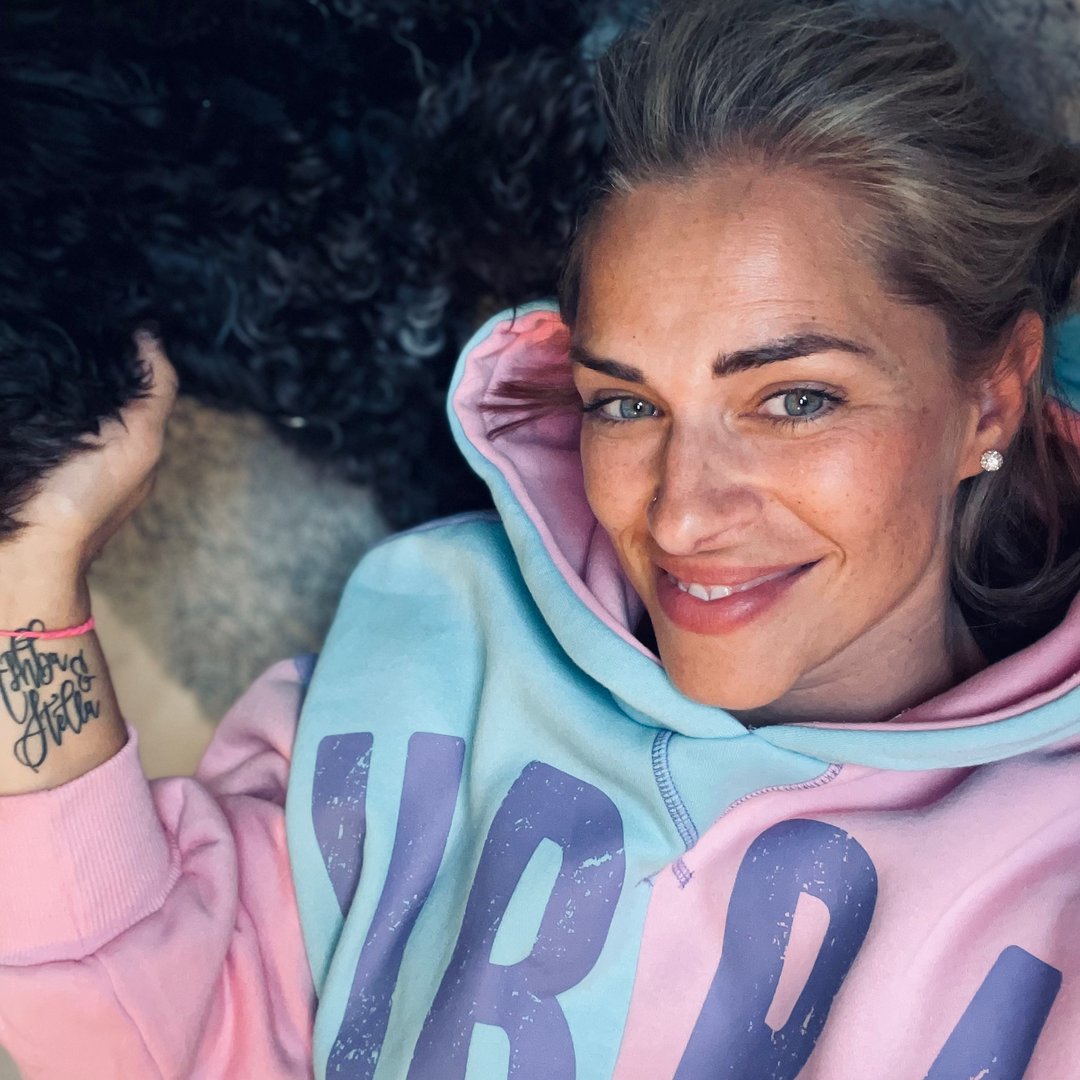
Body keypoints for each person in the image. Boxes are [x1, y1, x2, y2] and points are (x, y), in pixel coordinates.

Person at [2, 0, 1080, 1076]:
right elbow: (136, 1037)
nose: (680, 514)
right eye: (626, 404)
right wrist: (32, 567)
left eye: (796, 400)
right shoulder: (432, 652)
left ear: (990, 400)